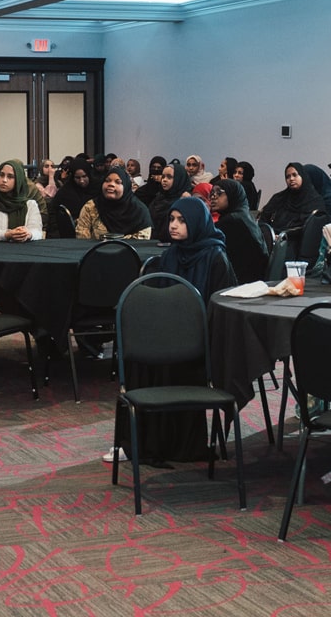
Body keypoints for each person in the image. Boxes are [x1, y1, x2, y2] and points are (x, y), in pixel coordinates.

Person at [106, 197, 235, 466]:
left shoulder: (216, 256)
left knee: (169, 359)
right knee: (138, 358)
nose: (173, 226)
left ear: (197, 223)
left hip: (200, 343)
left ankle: (174, 445)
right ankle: (138, 444)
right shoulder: (171, 255)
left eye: (182, 220)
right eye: (172, 220)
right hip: (168, 333)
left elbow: (221, 308)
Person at [210, 179, 269, 282]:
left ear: (232, 195)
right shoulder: (244, 215)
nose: (213, 197)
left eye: (219, 192)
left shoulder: (232, 222)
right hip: (256, 278)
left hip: (244, 282)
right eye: (212, 193)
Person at [75, 165, 152, 240]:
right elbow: (82, 240)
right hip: (95, 252)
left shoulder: (139, 210)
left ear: (126, 187)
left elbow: (142, 242)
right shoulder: (91, 207)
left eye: (118, 182)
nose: (111, 184)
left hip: (128, 253)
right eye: (107, 181)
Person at [0, 160, 43, 242]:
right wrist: (8, 234)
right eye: (1, 175)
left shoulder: (30, 205)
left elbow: (37, 232)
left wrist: (27, 234)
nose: (4, 180)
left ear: (18, 180)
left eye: (10, 177)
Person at [258, 162, 325, 234]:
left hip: (297, 241)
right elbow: (263, 220)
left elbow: (310, 229)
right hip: (272, 239)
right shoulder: (279, 198)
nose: (291, 179)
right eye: (288, 177)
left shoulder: (314, 201)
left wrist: (284, 235)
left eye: (294, 175)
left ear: (303, 176)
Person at [148, 161, 193, 243]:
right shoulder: (158, 199)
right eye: (163, 177)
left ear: (178, 179)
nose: (164, 180)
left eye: (169, 177)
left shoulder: (184, 201)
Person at [51, 157, 95, 234]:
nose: (81, 181)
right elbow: (53, 216)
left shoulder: (97, 190)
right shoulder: (65, 192)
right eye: (77, 178)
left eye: (84, 176)